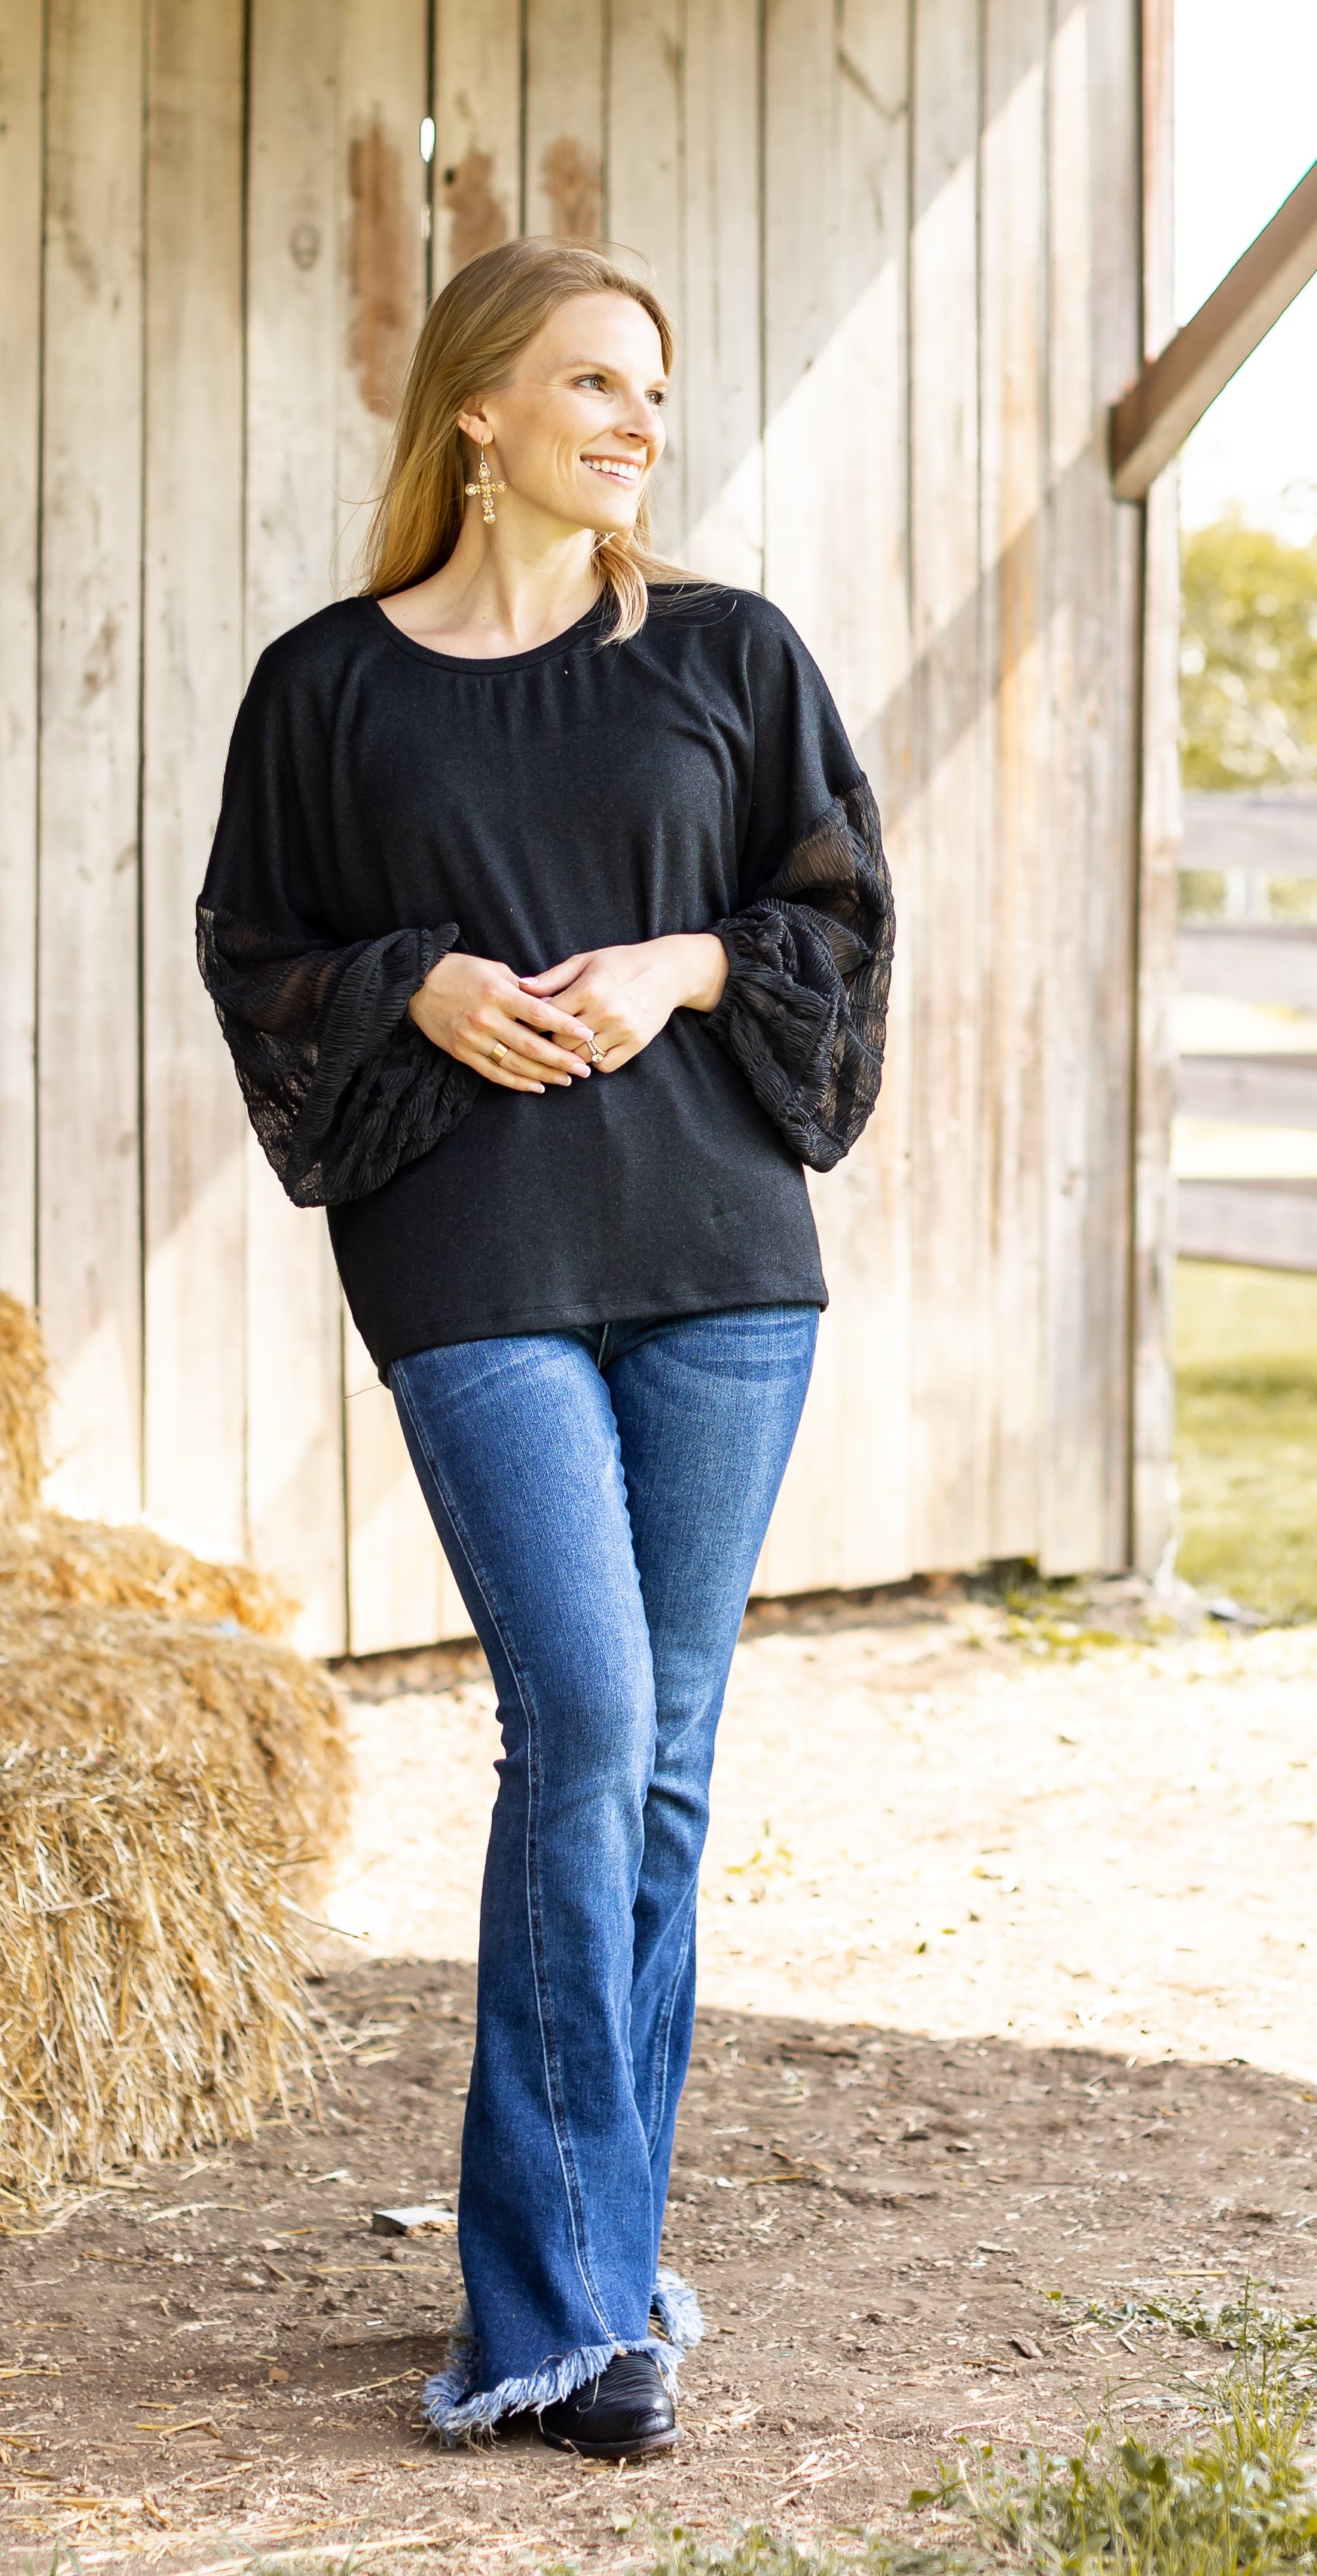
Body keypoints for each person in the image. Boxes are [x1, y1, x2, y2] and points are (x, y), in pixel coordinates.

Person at [197, 243, 890, 2465]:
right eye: (592, 380)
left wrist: (691, 962)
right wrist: (412, 983)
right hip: (472, 1259)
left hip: (717, 1258)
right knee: (581, 1720)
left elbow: (837, 918)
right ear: (475, 409)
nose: (636, 420)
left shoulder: (726, 655)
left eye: (654, 390)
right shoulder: (328, 689)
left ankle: (598, 2280)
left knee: (663, 1760)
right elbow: (259, 946)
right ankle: (555, 2314)